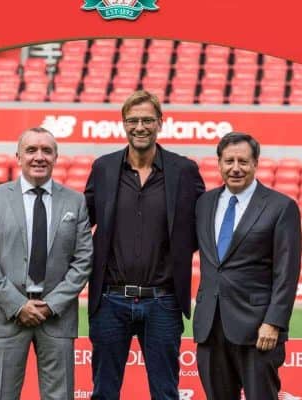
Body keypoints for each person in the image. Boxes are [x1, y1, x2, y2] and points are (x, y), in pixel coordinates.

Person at [85, 90, 205, 399]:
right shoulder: (103, 168)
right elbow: (80, 222)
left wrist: (178, 252)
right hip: (110, 300)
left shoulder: (184, 170)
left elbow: (202, 223)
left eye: (148, 120)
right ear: (123, 124)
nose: (140, 127)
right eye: (133, 120)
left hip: (163, 301)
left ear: (160, 124)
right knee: (104, 392)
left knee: (165, 393)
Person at [0, 127, 93, 400]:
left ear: (56, 157)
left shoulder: (75, 202)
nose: (39, 157)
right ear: (18, 157)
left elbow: (83, 260)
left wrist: (52, 305)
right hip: (6, 316)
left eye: (46, 151)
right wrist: (17, 305)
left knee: (60, 396)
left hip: (57, 317)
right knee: (2, 395)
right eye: (31, 150)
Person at [193, 132, 301, 400]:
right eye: (229, 161)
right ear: (219, 164)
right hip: (210, 327)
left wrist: (274, 322)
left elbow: (286, 272)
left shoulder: (281, 206)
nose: (236, 168)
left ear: (255, 164)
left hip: (257, 331)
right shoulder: (204, 203)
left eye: (243, 161)